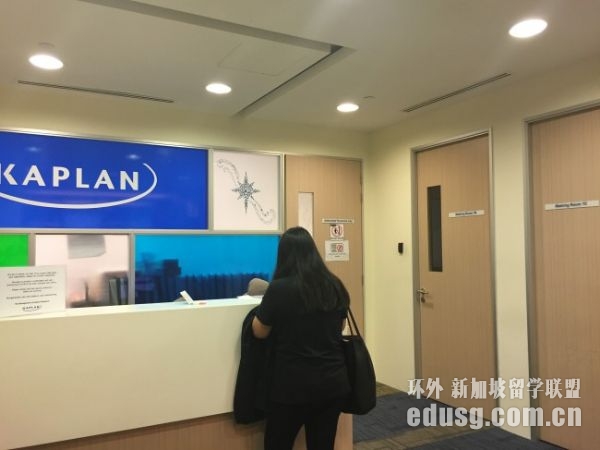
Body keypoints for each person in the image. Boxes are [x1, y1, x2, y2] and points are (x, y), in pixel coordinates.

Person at [252, 226, 351, 450]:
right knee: (322, 445)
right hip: (332, 382)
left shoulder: (279, 289)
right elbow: (340, 326)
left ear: (284, 255)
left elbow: (259, 331)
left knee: (278, 444)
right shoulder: (334, 284)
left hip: (291, 386)